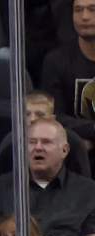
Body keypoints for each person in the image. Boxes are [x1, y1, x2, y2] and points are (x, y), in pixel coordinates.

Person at [0, 119, 95, 236]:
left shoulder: (89, 190)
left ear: (64, 150)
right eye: (32, 142)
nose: (38, 147)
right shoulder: (2, 186)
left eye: (46, 142)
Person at [40, 0, 95, 146]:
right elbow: (54, 116)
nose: (84, 16)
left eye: (92, 9)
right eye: (78, 10)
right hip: (73, 148)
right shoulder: (55, 61)